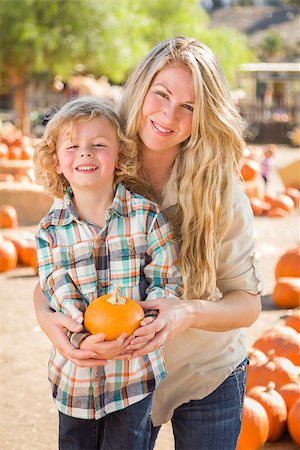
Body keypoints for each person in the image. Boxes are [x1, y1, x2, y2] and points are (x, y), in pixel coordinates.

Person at [33, 37, 262, 450]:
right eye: (162, 94)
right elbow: (57, 264)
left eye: (189, 106)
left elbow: (247, 303)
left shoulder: (220, 189)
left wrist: (186, 313)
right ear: (142, 87)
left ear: (203, 115)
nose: (169, 114)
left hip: (206, 369)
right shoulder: (96, 155)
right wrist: (49, 323)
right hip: (123, 377)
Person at [33, 96, 183, 450]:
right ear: (56, 162)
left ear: (120, 156)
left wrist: (149, 324)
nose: (85, 153)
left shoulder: (146, 217)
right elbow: (56, 288)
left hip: (134, 372)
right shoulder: (50, 230)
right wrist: (80, 335)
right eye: (73, 146)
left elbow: (166, 280)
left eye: (98, 145)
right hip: (77, 376)